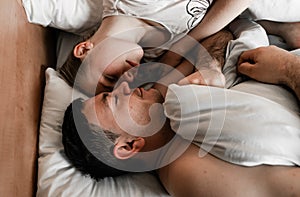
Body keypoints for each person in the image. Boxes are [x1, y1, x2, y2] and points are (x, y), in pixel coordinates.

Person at [58, 0, 300, 96]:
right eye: (125, 86)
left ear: (84, 49)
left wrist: (186, 43)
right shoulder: (157, 54)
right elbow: (225, 32)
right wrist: (209, 67)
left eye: (111, 77)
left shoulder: (132, 2)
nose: (126, 78)